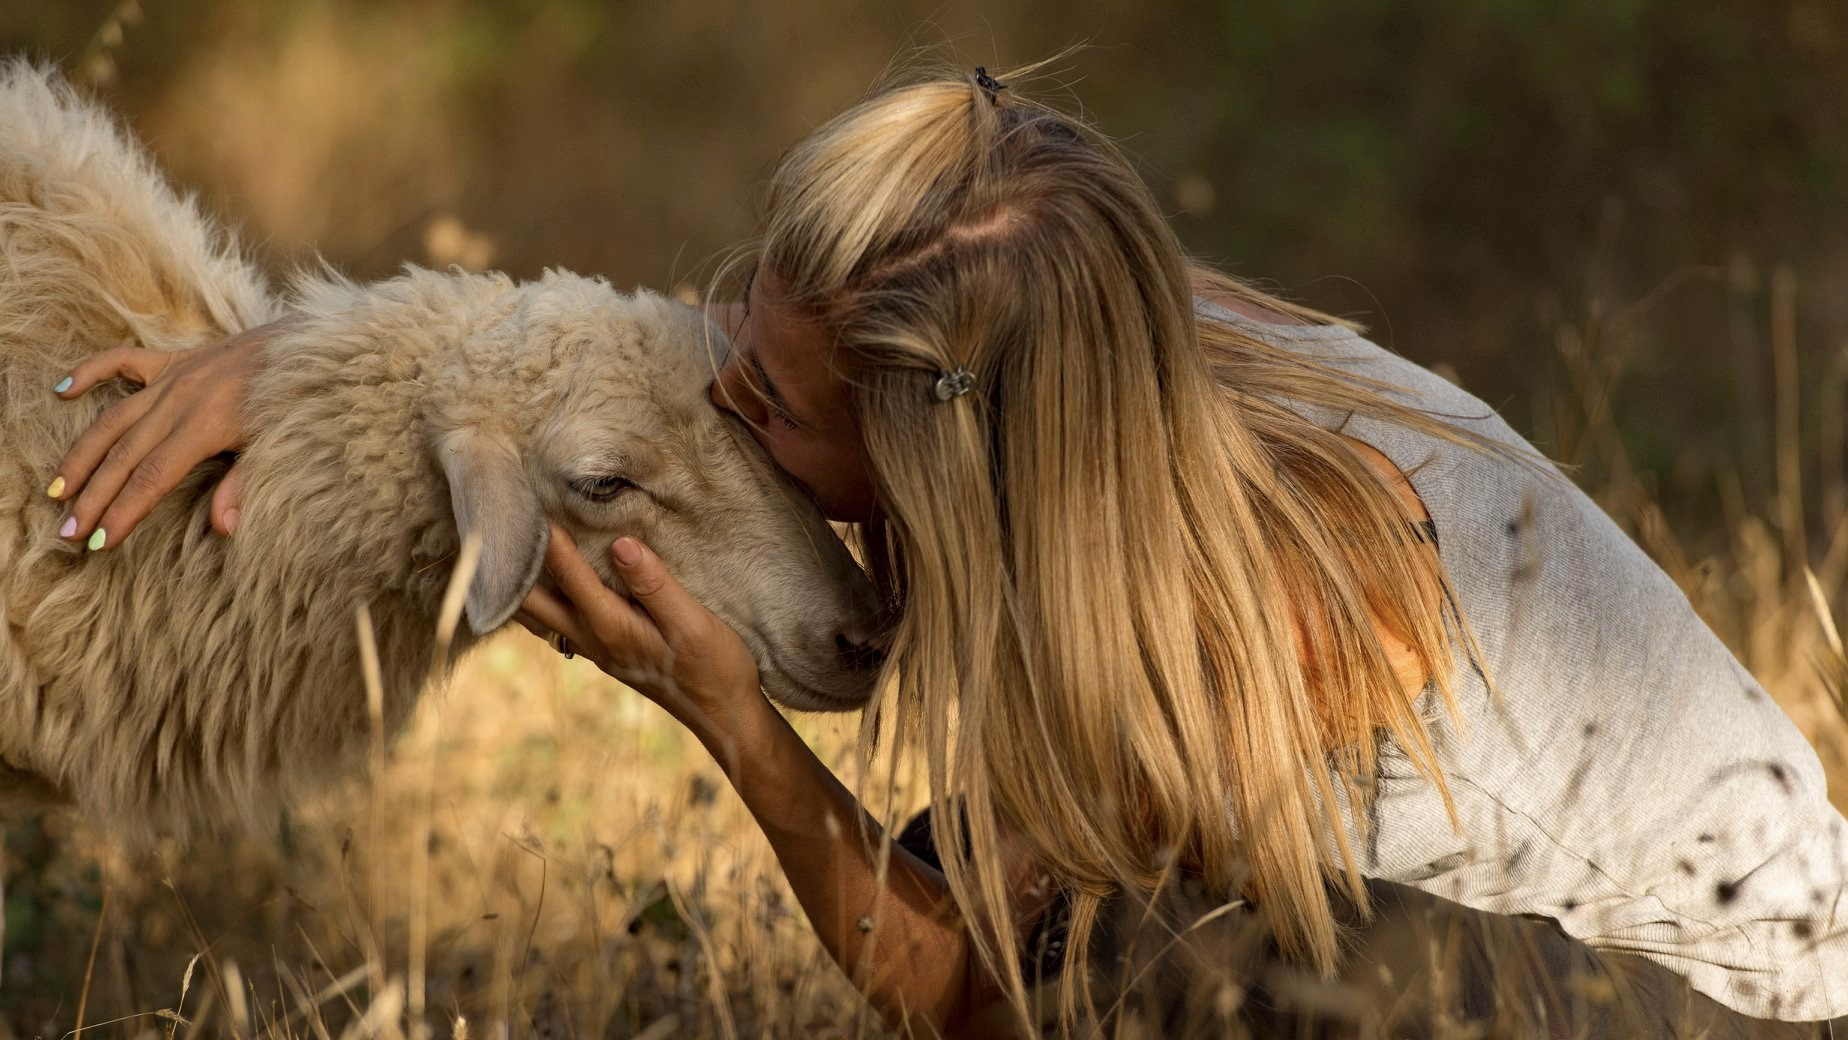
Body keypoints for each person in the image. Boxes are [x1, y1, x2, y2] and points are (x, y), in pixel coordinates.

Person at [42, 60, 1848, 1037]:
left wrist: (732, 722)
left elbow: (964, 993)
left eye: (775, 403)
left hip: (1682, 1016)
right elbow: (710, 353)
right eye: (744, 307)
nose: (723, 375)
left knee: (1167, 994)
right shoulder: (1088, 333)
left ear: (932, 454)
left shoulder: (1221, 635)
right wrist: (345, 360)